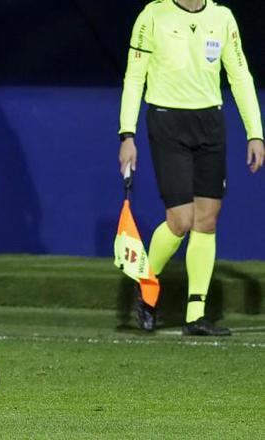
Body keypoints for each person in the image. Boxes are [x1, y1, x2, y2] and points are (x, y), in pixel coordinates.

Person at [118, 0, 264, 335]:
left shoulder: (222, 17)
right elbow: (134, 77)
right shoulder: (152, 15)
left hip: (210, 123)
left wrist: (255, 132)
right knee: (181, 220)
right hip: (167, 121)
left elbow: (240, 75)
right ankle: (146, 285)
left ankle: (195, 315)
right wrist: (127, 134)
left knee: (207, 220)